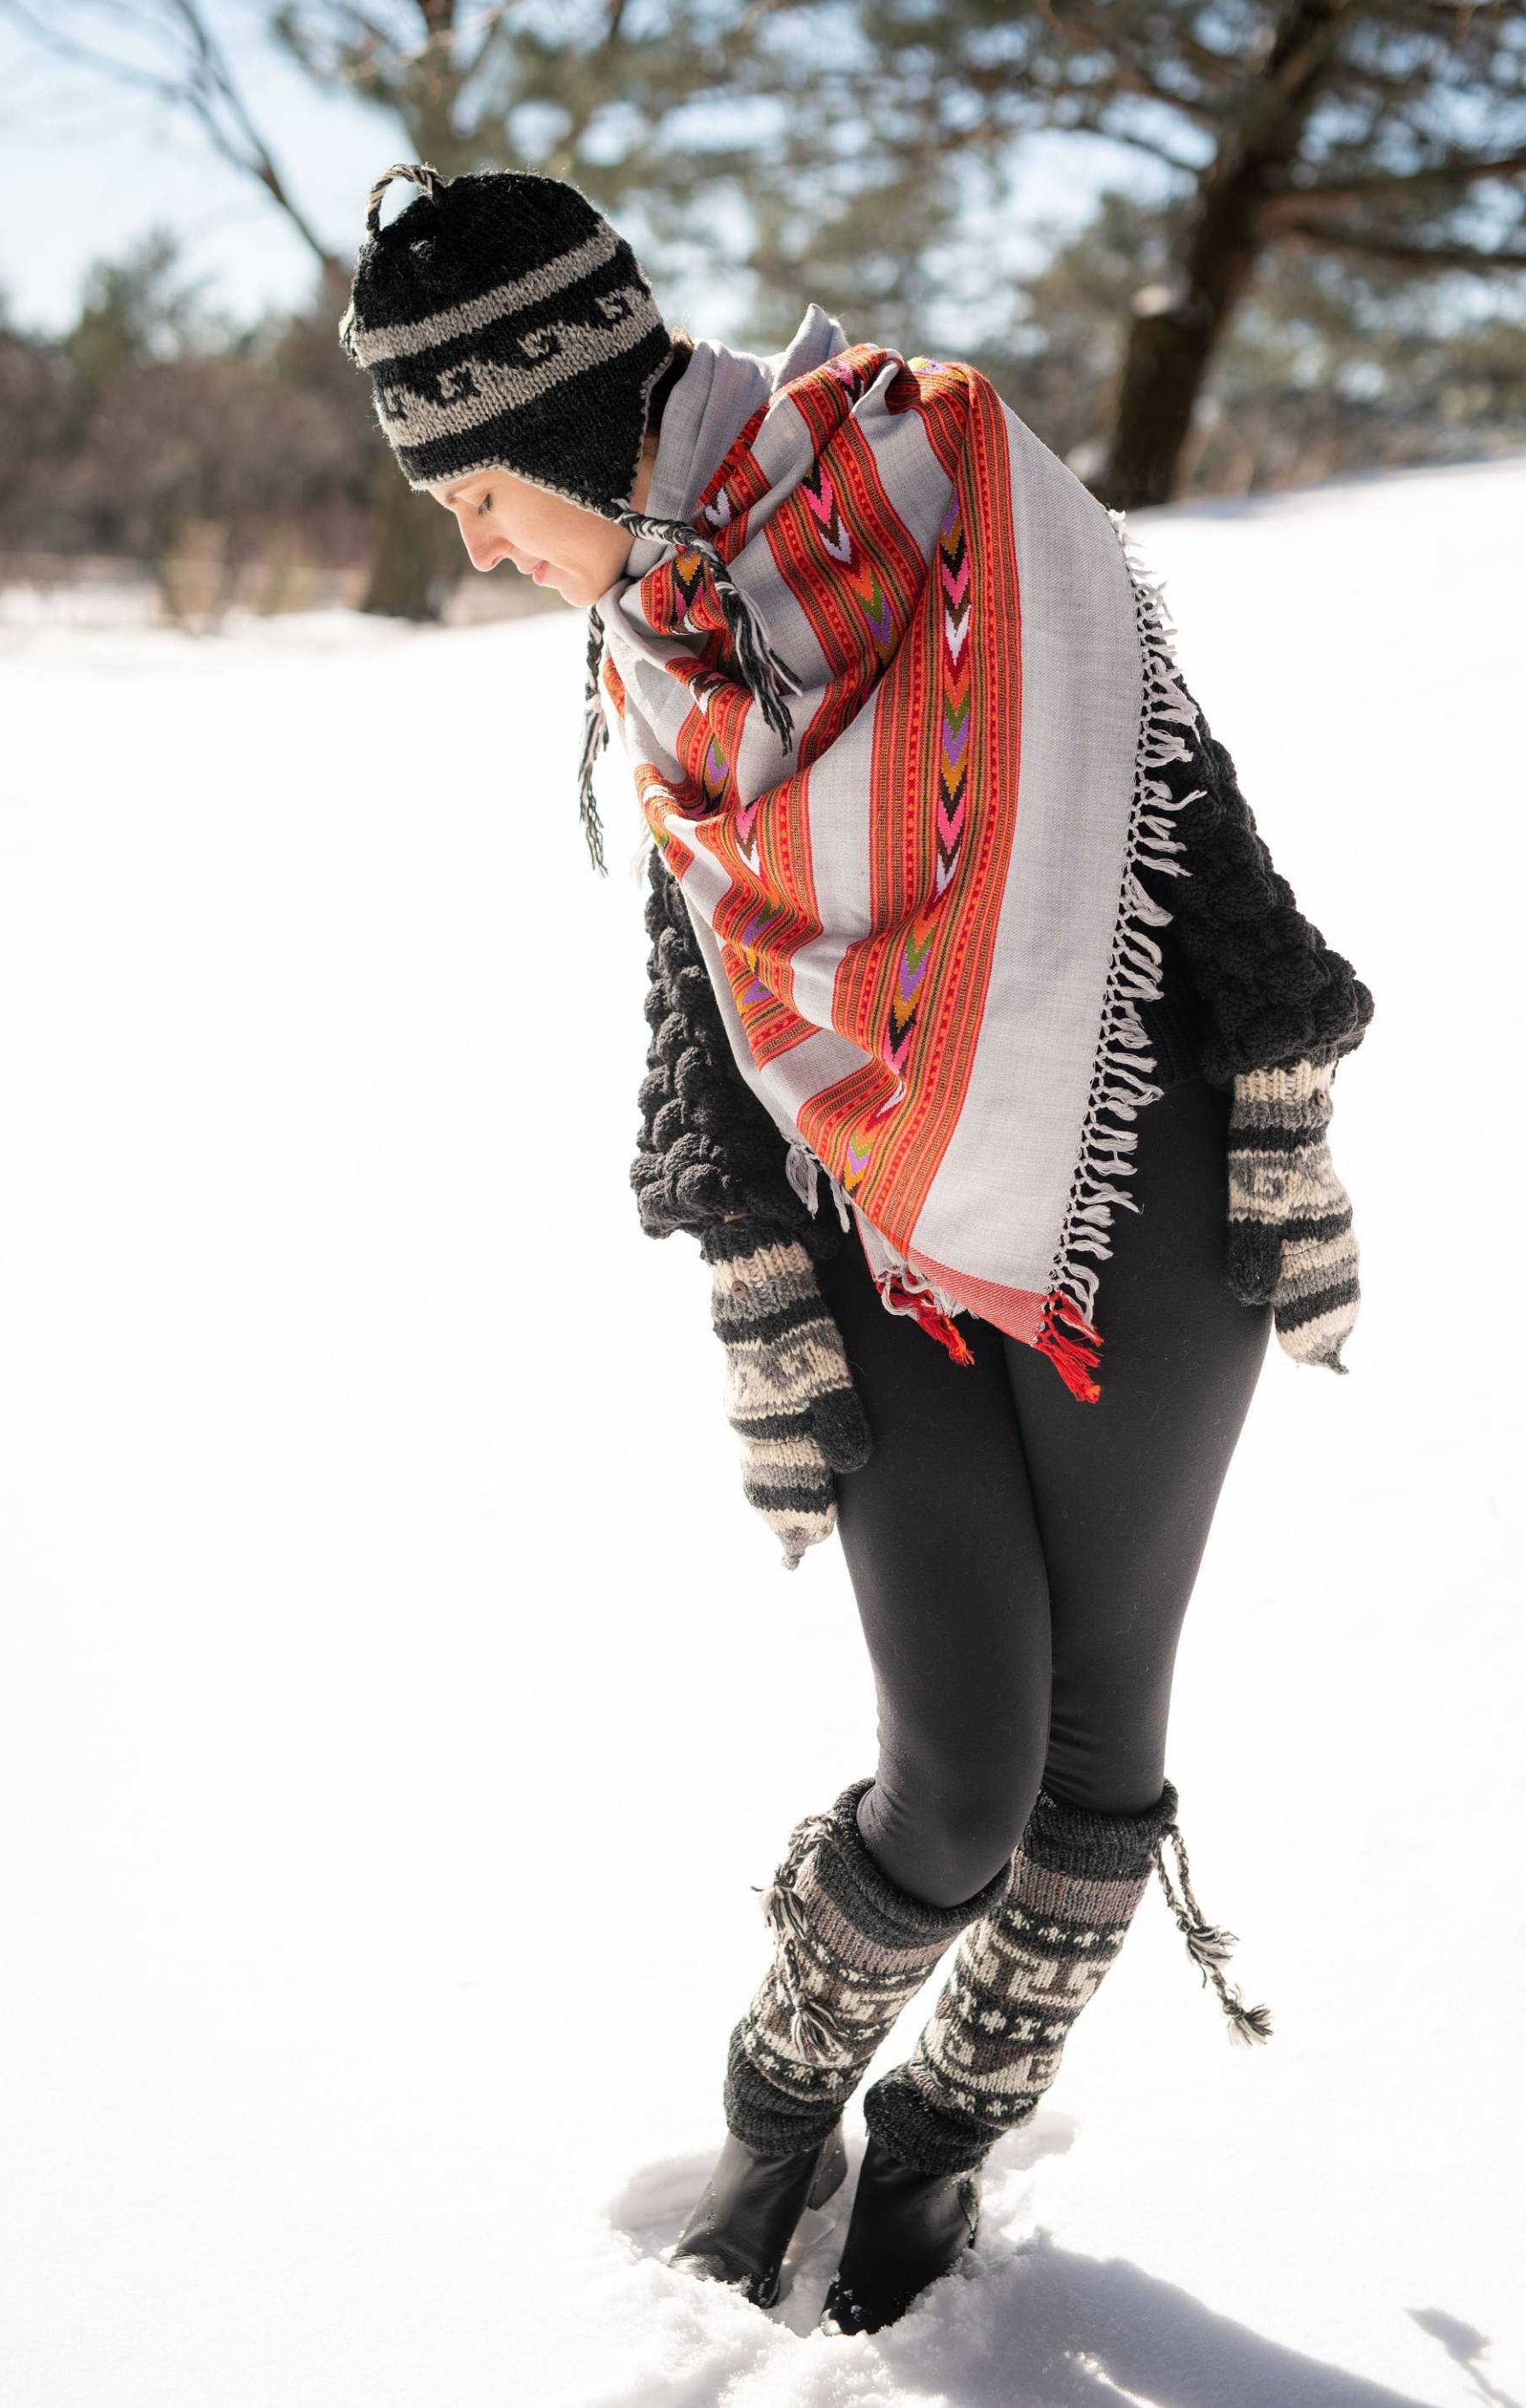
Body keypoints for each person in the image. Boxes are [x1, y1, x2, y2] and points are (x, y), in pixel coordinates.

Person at [341, 162, 1373, 2336]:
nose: (476, 546)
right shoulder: (659, 624)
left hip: (1135, 1184)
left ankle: (934, 2153)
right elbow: (703, 960)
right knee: (960, 1770)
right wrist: (744, 1260)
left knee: (1101, 1761)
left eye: (471, 492)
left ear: (559, 427)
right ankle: (776, 2113)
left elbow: (1168, 780)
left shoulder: (947, 463)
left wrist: (1280, 1073)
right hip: (862, 1214)